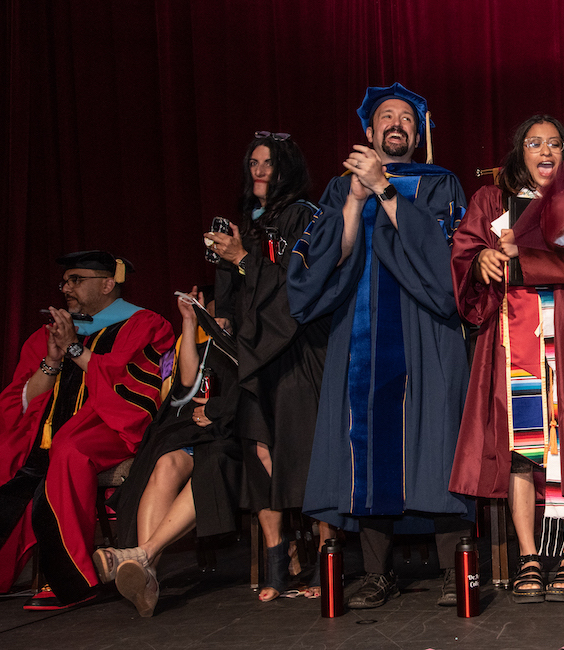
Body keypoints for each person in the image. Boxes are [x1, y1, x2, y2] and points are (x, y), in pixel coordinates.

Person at [288, 83, 473, 609]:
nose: (396, 124)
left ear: (418, 133)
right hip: (361, 335)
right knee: (365, 444)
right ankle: (376, 572)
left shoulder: (440, 185)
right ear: (368, 132)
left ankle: (450, 569)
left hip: (427, 332)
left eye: (406, 119)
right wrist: (355, 198)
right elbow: (327, 263)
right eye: (385, 117)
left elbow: (448, 266)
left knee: (436, 440)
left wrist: (386, 192)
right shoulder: (339, 190)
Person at [450, 114, 564, 603]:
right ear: (520, 150)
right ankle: (530, 556)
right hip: (511, 334)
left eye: (555, 144)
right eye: (535, 142)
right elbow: (464, 251)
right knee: (521, 445)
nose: (545, 151)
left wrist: (515, 261)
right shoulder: (489, 200)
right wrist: (481, 261)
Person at [0, 251, 173, 609]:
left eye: (76, 280)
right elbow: (17, 406)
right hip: (40, 433)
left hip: (109, 426)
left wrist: (76, 347)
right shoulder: (48, 334)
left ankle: (71, 580)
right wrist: (54, 358)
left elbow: (132, 390)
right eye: (65, 281)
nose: (66, 288)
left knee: (70, 449)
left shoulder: (144, 324)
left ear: (107, 283)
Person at [209, 132, 331, 601]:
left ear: (288, 171)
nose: (259, 170)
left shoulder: (304, 217)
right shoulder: (248, 225)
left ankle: (326, 562)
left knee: (306, 455)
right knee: (259, 457)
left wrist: (242, 259)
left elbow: (302, 288)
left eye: (269, 163)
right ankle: (279, 565)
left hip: (297, 351)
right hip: (253, 356)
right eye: (254, 162)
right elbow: (236, 295)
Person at [94, 286, 242, 617]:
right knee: (164, 463)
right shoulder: (201, 347)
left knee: (210, 466)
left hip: (231, 433)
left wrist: (217, 410)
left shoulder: (248, 346)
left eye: (223, 318)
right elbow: (188, 384)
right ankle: (147, 571)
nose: (218, 322)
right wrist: (189, 322)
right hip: (193, 432)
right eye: (211, 317)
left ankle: (140, 558)